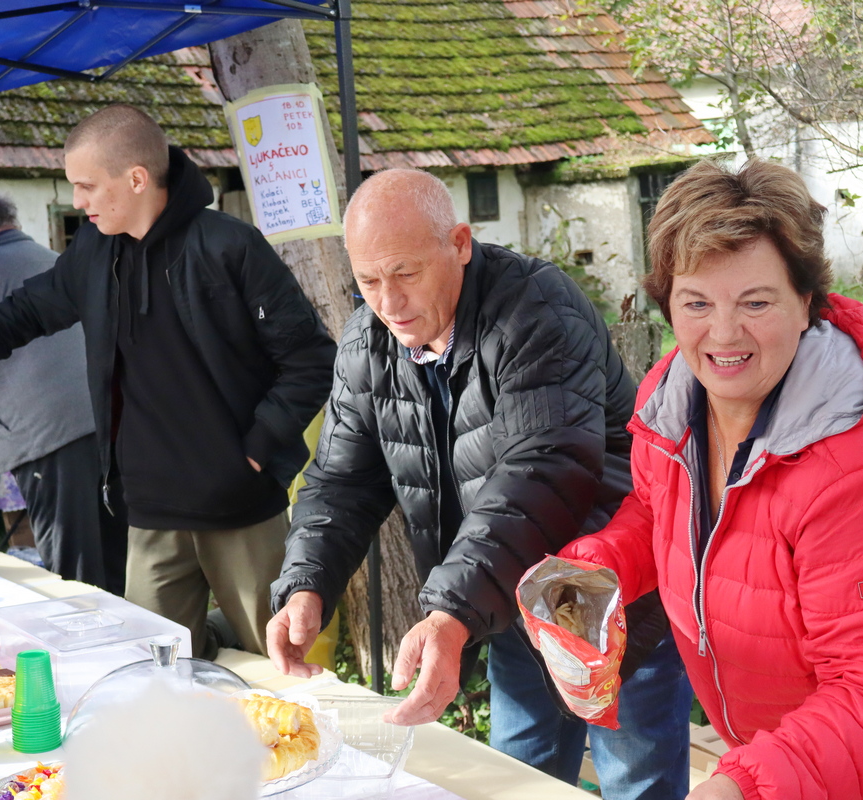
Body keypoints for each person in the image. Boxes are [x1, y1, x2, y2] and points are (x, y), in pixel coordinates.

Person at [555, 159, 863, 800]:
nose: (723, 333)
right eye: (697, 302)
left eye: (756, 302)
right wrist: (596, 567)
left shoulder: (858, 468)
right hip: (779, 745)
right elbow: (663, 511)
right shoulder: (673, 401)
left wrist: (739, 785)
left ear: (805, 302)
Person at [268, 169, 693, 798]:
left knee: (637, 782)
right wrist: (307, 583)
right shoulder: (368, 342)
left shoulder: (537, 312)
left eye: (406, 273)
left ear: (460, 243)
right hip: (504, 598)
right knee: (517, 778)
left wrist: (452, 611)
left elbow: (541, 471)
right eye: (368, 281)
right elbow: (340, 481)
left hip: (615, 598)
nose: (389, 302)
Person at [0, 105, 337, 659]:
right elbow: (23, 312)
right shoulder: (93, 250)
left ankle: (232, 643)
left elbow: (311, 358)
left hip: (239, 505)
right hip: (150, 511)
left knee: (277, 666)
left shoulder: (230, 246)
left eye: (86, 186)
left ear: (135, 179)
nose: (77, 201)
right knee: (157, 670)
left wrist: (255, 449)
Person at [0, 193, 126, 594]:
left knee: (74, 567)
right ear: (15, 223)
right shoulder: (50, 257)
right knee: (114, 550)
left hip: (47, 434)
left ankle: (87, 632)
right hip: (102, 417)